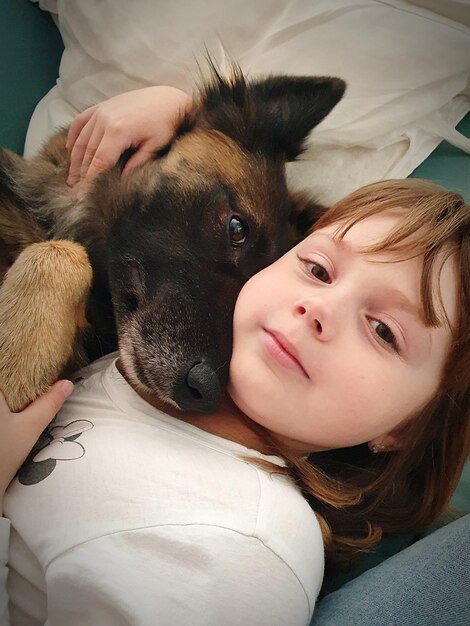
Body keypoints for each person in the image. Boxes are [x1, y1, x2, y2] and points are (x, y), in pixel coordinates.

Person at [0, 87, 469, 626]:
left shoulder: (240, 554)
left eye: (385, 331)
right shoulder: (156, 361)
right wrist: (187, 116)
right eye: (318, 269)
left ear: (405, 429)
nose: (318, 308)